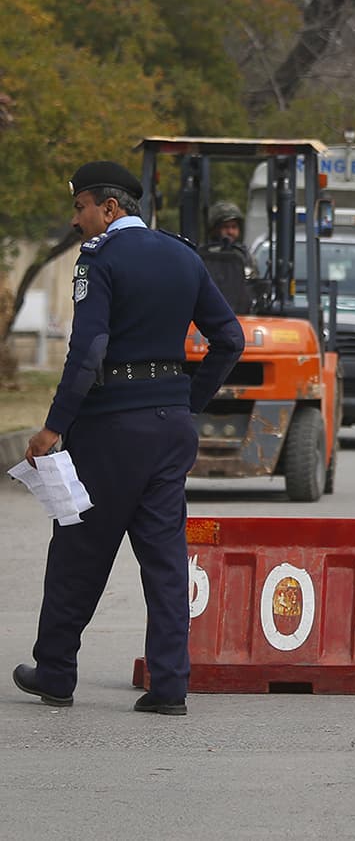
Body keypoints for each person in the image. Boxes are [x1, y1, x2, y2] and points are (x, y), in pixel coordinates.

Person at [13, 161, 244, 715]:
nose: (76, 220)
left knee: (78, 551)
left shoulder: (101, 260)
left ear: (109, 208)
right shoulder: (184, 255)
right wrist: (187, 401)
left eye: (81, 207)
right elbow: (229, 338)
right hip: (170, 427)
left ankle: (56, 671)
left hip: (113, 428)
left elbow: (88, 352)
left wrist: (54, 426)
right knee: (164, 560)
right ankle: (169, 685)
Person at [203, 201, 257, 278]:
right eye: (225, 227)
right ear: (214, 229)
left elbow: (253, 284)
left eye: (234, 227)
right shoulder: (205, 256)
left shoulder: (246, 256)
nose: (230, 232)